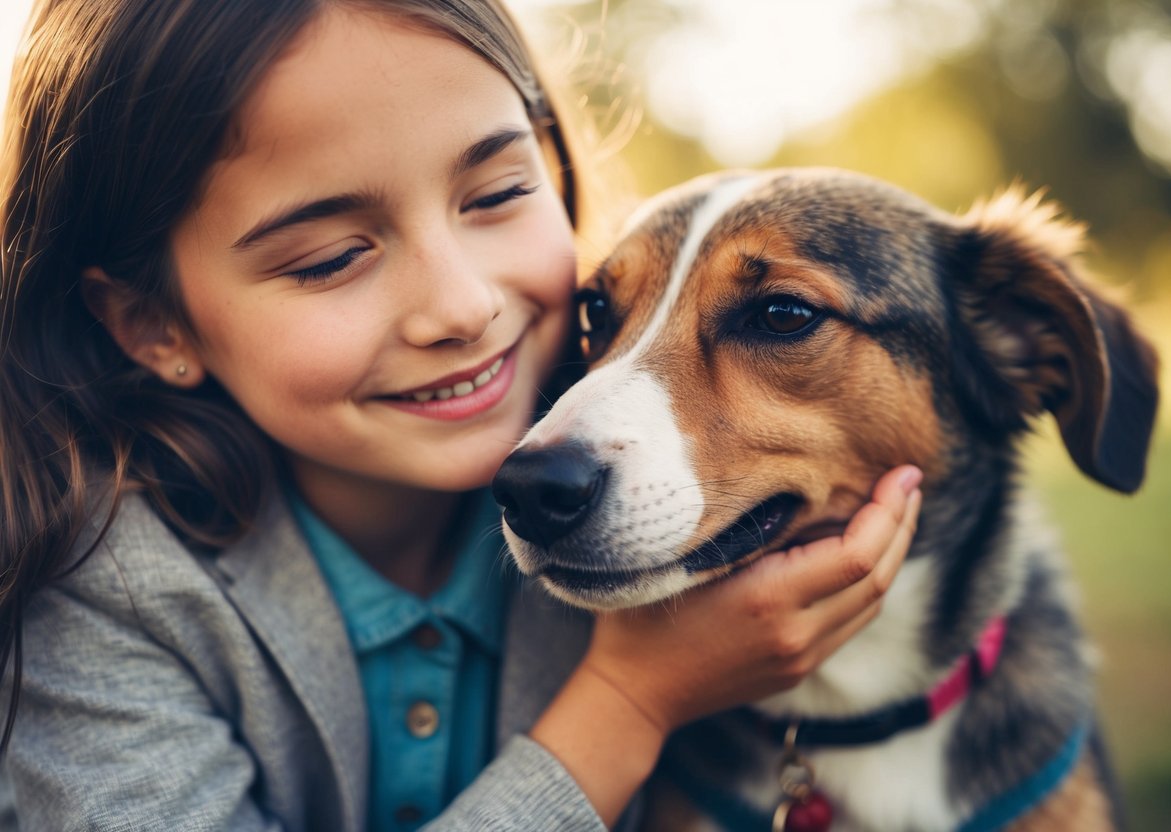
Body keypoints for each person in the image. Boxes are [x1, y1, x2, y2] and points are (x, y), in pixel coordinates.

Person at [0, 0, 922, 829]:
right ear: (151, 322)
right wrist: (631, 699)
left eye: (496, 195)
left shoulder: (626, 483)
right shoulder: (87, 590)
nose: (463, 306)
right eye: (327, 258)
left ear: (553, 165)